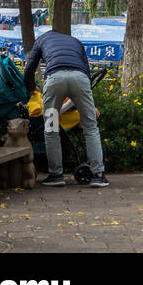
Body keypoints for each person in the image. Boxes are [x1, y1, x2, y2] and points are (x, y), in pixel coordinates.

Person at [23, 30, 109, 187]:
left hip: (54, 79)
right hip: (81, 79)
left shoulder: (41, 40)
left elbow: (29, 68)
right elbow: (86, 69)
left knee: (51, 129)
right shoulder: (75, 41)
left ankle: (56, 175)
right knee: (90, 127)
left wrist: (31, 88)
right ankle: (98, 174)